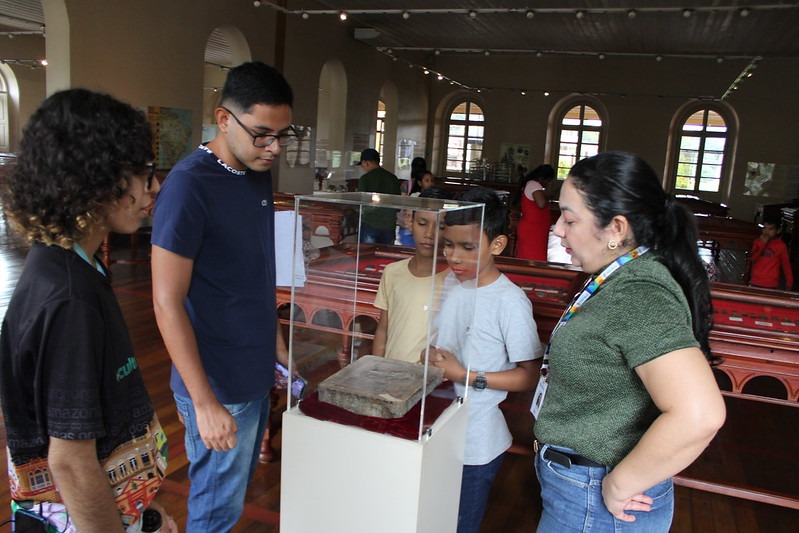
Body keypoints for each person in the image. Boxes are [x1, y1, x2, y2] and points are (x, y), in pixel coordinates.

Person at [0, 89, 176, 532]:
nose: (151, 186)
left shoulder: (67, 263)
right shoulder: (70, 299)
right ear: (95, 181)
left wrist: (142, 515)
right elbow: (73, 464)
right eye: (141, 173)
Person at [533, 152, 726, 531]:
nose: (557, 230)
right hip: (583, 485)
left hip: (597, 497)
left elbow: (699, 414)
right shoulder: (619, 276)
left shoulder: (639, 293)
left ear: (616, 229)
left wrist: (621, 484)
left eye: (570, 219)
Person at [151, 61, 293, 531]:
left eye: (282, 135)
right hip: (215, 384)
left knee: (230, 502)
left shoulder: (255, 172)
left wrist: (277, 351)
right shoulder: (189, 186)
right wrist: (205, 402)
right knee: (214, 510)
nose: (273, 148)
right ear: (224, 118)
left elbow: (256, 274)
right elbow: (166, 301)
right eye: (262, 134)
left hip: (251, 371)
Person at [426, 187, 542, 533]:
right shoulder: (451, 284)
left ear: (497, 245)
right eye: (448, 244)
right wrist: (431, 356)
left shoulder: (509, 302)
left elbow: (528, 376)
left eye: (467, 247)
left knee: (460, 524)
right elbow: (444, 340)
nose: (454, 257)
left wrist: (464, 373)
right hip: (437, 426)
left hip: (475, 442)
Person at [373, 188, 452, 362]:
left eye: (441, 226)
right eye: (422, 223)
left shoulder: (453, 280)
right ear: (410, 222)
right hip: (391, 374)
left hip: (429, 382)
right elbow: (382, 330)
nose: (429, 234)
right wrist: (376, 368)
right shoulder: (392, 272)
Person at [356, 148, 402, 244]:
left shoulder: (365, 179)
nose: (363, 168)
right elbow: (398, 207)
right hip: (389, 226)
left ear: (366, 163)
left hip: (370, 224)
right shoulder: (393, 179)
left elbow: (362, 205)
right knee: (386, 256)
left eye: (362, 165)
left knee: (368, 255)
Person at [514, 164, 555, 261]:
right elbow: (541, 203)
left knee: (533, 257)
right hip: (532, 230)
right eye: (548, 181)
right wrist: (547, 197)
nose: (547, 183)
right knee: (533, 258)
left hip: (536, 229)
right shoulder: (534, 185)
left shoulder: (532, 184)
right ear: (543, 177)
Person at [749, 215, 793, 290]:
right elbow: (753, 258)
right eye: (765, 228)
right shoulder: (758, 242)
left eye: (770, 229)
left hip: (771, 283)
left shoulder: (781, 246)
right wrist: (762, 244)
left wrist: (789, 281)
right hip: (755, 280)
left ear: (778, 230)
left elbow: (786, 264)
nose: (766, 231)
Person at [398, 166, 436, 246]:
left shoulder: (434, 198)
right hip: (411, 233)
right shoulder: (415, 197)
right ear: (419, 183)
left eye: (432, 181)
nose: (430, 183)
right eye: (427, 181)